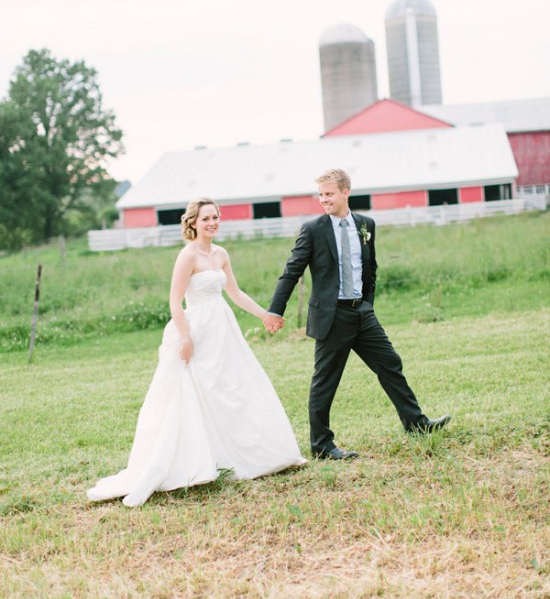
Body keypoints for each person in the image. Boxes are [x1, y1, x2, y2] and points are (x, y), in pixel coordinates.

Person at [88, 198, 306, 507]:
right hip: (197, 329)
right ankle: (198, 461)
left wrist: (265, 315)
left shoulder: (221, 254)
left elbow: (235, 292)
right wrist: (185, 338)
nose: (212, 222)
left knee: (233, 388)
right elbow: (175, 301)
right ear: (193, 223)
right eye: (206, 218)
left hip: (223, 329)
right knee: (197, 390)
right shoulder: (187, 255)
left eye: (215, 217)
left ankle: (240, 455)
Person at [264, 169, 451, 460]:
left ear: (345, 192)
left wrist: (367, 303)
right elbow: (291, 272)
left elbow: (371, 267)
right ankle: (322, 445)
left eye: (329, 194)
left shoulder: (366, 225)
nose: (324, 199)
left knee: (390, 363)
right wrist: (275, 310)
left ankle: (416, 423)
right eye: (321, 194)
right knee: (326, 380)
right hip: (331, 317)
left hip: (361, 313)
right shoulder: (313, 229)